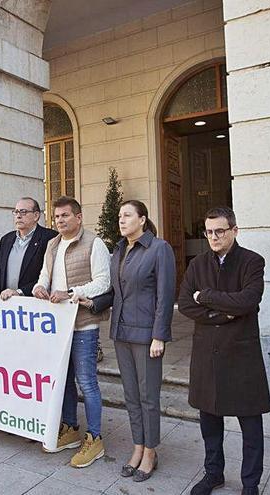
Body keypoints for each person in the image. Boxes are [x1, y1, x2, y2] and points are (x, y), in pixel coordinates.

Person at [178, 207, 270, 495]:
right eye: (209, 232)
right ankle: (213, 474)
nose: (214, 237)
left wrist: (206, 297)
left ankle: (251, 483)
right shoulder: (197, 265)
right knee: (209, 421)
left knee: (251, 425)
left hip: (241, 355)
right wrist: (223, 312)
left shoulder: (252, 262)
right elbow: (185, 304)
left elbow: (247, 301)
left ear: (234, 231)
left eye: (220, 231)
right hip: (207, 354)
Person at [85, 200, 175, 482]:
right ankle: (137, 447)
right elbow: (116, 293)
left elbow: (165, 295)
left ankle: (150, 451)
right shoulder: (119, 250)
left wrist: (159, 335)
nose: (121, 220)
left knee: (148, 397)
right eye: (120, 216)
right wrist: (92, 302)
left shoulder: (159, 249)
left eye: (127, 215)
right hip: (121, 333)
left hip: (147, 335)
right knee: (131, 395)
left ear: (143, 220)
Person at [33, 196, 111, 468]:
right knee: (63, 380)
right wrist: (39, 288)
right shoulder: (52, 244)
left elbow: (103, 282)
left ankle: (95, 438)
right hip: (58, 325)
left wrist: (71, 294)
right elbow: (45, 275)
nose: (60, 220)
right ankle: (70, 428)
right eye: (57, 216)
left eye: (66, 215)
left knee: (87, 382)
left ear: (79, 217)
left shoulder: (94, 243)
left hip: (83, 324)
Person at [0, 197, 57, 300]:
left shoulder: (49, 238)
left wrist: (20, 292)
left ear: (36, 216)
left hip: (35, 304)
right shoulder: (6, 240)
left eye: (23, 212)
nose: (18, 216)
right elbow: (1, 275)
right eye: (16, 212)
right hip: (9, 305)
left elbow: (50, 275)